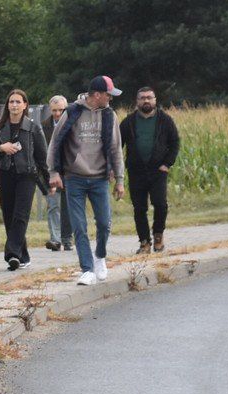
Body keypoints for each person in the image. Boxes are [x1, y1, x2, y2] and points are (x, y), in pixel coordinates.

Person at [48, 75, 124, 286]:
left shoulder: (110, 115)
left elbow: (116, 149)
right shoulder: (72, 112)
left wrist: (119, 179)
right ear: (97, 95)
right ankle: (87, 269)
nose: (111, 98)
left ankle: (100, 256)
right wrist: (54, 172)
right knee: (79, 226)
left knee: (104, 223)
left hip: (100, 178)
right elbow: (55, 143)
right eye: (109, 94)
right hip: (74, 178)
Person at [0, 88, 48, 270]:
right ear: (7, 105)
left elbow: (42, 157)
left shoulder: (33, 127)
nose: (14, 105)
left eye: (18, 102)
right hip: (5, 174)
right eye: (11, 102)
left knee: (20, 215)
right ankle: (23, 256)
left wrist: (48, 180)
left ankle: (12, 253)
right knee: (9, 216)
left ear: (25, 105)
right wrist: (1, 148)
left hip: (27, 176)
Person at [120, 86, 180, 254]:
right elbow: (117, 146)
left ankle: (158, 235)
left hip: (158, 171)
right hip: (136, 171)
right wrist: (117, 168)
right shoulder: (128, 122)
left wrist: (167, 164)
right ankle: (144, 242)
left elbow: (174, 143)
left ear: (155, 100)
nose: (146, 100)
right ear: (137, 101)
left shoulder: (165, 120)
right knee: (139, 208)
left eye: (149, 97)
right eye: (142, 98)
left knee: (160, 204)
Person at [43, 94, 69, 251]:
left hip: (71, 172)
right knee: (53, 206)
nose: (58, 114)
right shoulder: (43, 126)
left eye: (61, 110)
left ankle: (67, 238)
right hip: (50, 172)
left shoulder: (73, 124)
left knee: (69, 207)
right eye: (54, 110)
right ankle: (55, 239)